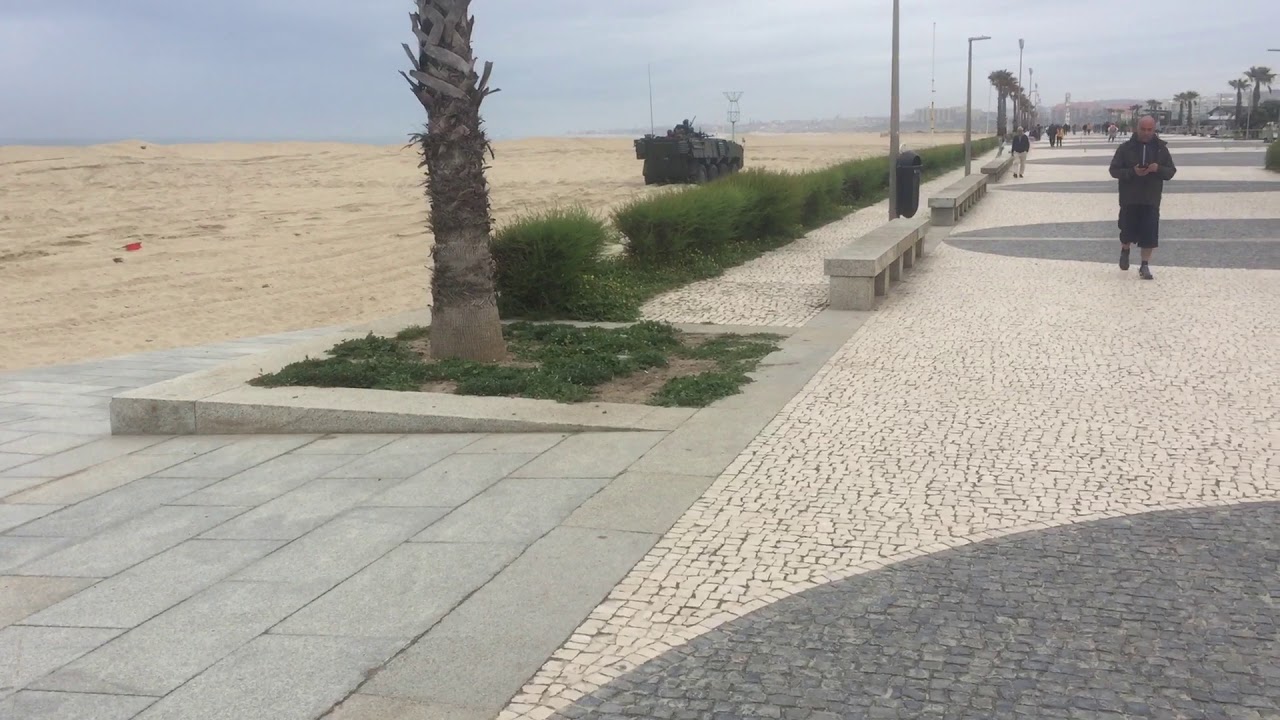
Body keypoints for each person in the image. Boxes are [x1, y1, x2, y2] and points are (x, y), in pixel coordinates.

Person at [1108, 115, 1176, 280]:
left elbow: (1171, 171)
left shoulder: (1161, 149)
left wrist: (1158, 168)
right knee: (1126, 230)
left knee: (1150, 234)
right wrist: (1132, 172)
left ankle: (1144, 265)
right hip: (1129, 198)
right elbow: (1114, 170)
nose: (1146, 133)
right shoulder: (1125, 148)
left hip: (1151, 198)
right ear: (1136, 129)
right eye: (1143, 129)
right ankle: (1125, 249)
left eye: (1149, 130)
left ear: (1154, 130)